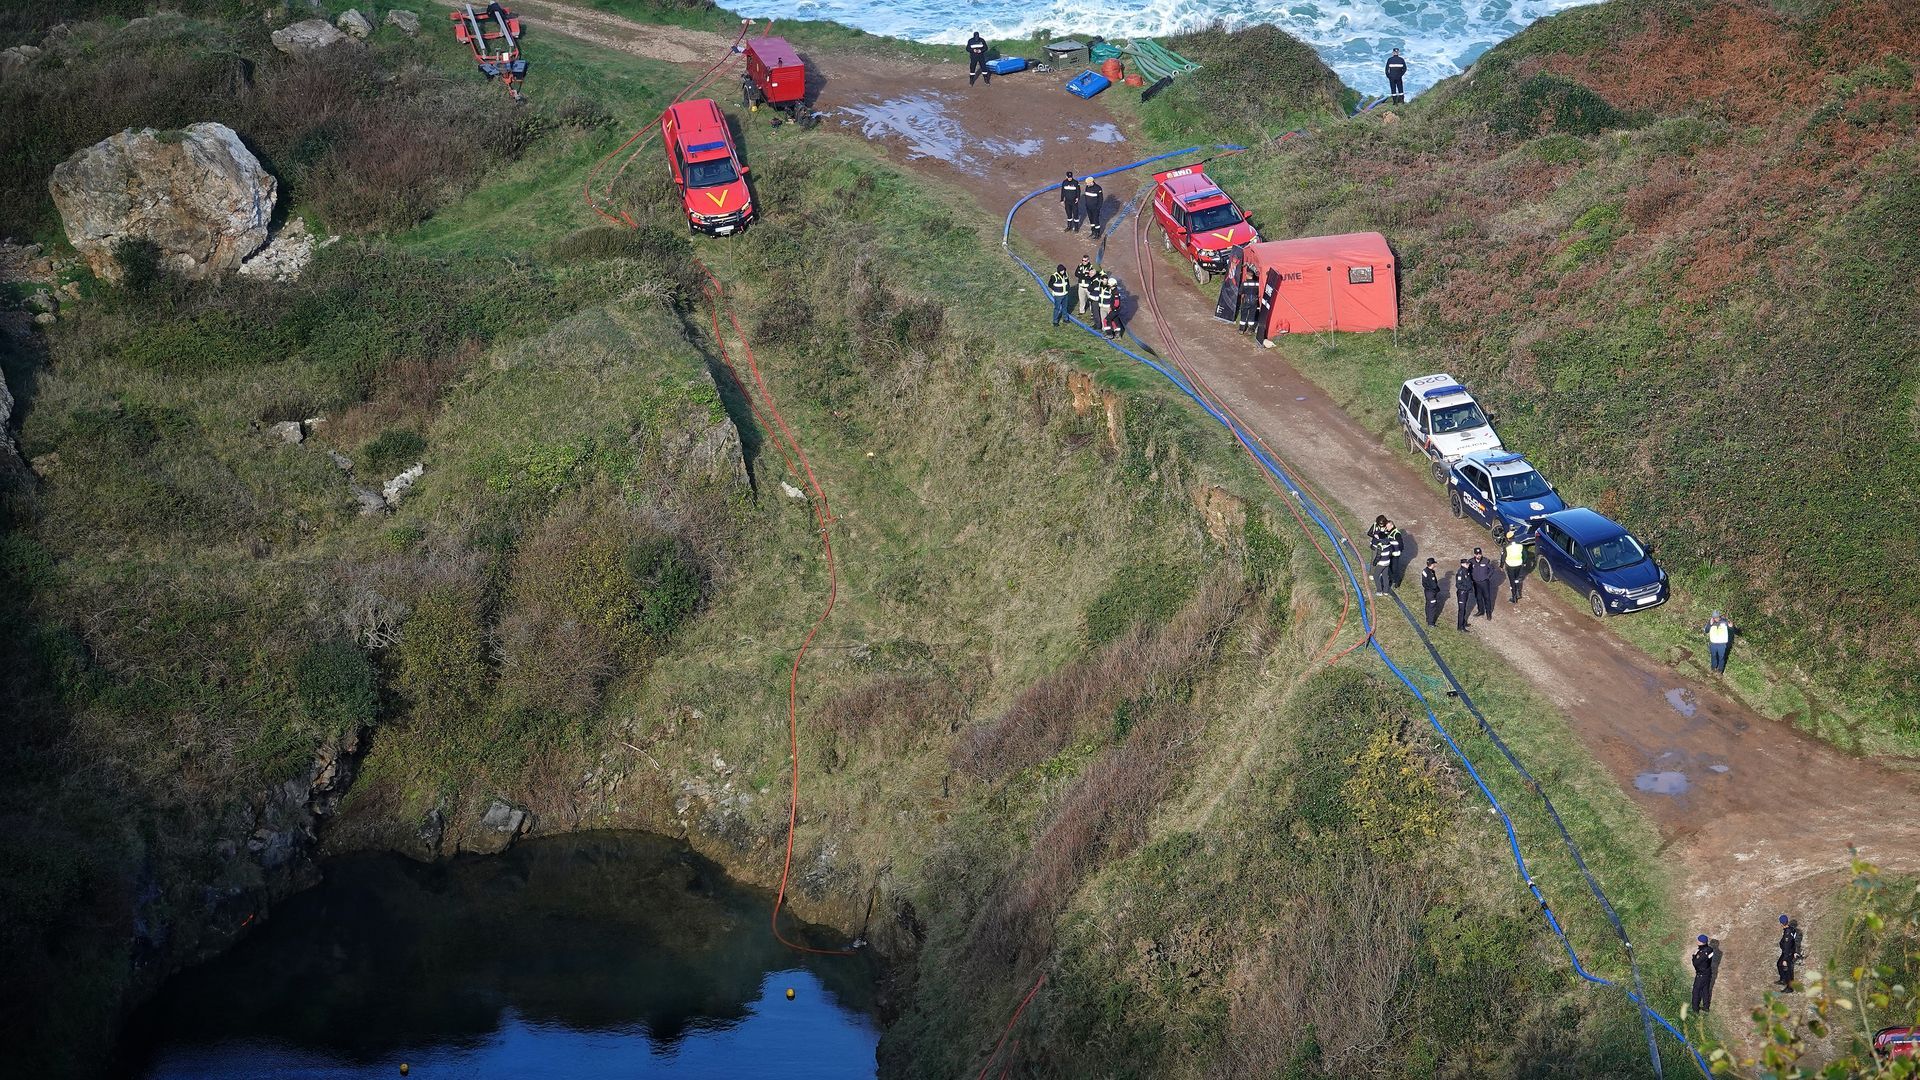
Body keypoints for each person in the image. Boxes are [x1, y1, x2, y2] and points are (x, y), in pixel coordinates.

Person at [1366, 515, 1401, 595]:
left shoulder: (1382, 544)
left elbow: (1378, 556)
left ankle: (1379, 590)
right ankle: (1385, 590)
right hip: (1383, 554)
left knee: (1377, 573)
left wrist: (1376, 562)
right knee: (1384, 573)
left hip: (1382, 557)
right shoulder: (1375, 525)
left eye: (1383, 525)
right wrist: (1374, 536)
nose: (1382, 526)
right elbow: (1369, 533)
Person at [1689, 935, 1717, 1013]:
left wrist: (1694, 955)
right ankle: (1706, 1007)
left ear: (1701, 942)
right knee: (1705, 990)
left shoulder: (1701, 953)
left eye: (1698, 940)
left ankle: (1695, 1009)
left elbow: (1695, 963)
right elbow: (1708, 958)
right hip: (1708, 973)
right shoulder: (1710, 950)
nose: (1697, 941)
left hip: (1700, 975)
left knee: (1696, 992)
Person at [1778, 915, 1805, 992]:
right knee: (1779, 964)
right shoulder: (1790, 929)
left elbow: (1787, 946)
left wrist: (1785, 959)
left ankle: (1790, 988)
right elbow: (1794, 942)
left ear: (1781, 923)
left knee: (1788, 970)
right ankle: (1783, 980)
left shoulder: (1787, 934)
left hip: (1788, 953)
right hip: (1789, 951)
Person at [1469, 547, 1496, 618]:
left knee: (1487, 598)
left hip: (1484, 583)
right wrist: (1471, 579)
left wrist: (1487, 577)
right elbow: (1468, 571)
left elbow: (1492, 570)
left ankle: (1488, 613)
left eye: (1480, 554)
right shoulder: (1471, 561)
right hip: (1476, 583)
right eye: (1477, 554)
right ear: (1474, 554)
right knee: (1478, 597)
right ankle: (1480, 611)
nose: (1478, 555)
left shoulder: (1486, 560)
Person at [1503, 527, 1527, 604]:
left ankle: (1514, 597)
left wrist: (1501, 565)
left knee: (1512, 581)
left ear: (1508, 539)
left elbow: (1503, 557)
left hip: (1510, 566)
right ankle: (1518, 593)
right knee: (1517, 579)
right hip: (1519, 564)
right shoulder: (1520, 544)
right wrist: (1524, 562)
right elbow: (1525, 554)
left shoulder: (1506, 546)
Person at [1421, 557, 1444, 626]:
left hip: (1427, 591)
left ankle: (1428, 619)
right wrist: (1436, 589)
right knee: (1432, 607)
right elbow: (1433, 584)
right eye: (1434, 563)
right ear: (1432, 564)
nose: (1435, 564)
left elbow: (1424, 583)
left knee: (1428, 605)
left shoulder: (1424, 570)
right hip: (1431, 592)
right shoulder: (1430, 573)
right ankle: (1431, 623)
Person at [1455, 558, 1474, 632]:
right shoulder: (1460, 572)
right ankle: (1460, 627)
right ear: (1462, 564)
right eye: (1466, 564)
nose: (1468, 565)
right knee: (1461, 610)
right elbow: (1458, 585)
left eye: (1468, 564)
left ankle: (1463, 622)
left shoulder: (1466, 571)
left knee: (1464, 608)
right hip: (1462, 593)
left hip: (1465, 592)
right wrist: (1466, 588)